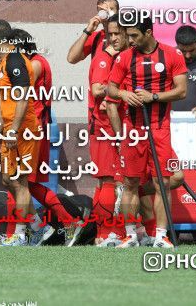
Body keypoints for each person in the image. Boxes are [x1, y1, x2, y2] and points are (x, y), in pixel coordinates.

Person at [107, 12, 188, 248]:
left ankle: (160, 236)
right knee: (130, 183)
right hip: (133, 129)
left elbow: (181, 91)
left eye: (134, 35)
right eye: (127, 35)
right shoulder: (124, 58)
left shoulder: (172, 54)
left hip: (159, 128)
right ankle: (130, 235)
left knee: (162, 182)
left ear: (149, 33)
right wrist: (124, 94)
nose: (129, 40)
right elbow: (111, 89)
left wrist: (154, 96)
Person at [11, 28, 82, 246]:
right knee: (24, 184)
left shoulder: (34, 64)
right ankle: (45, 226)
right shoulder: (35, 62)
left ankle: (42, 227)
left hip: (33, 131)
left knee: (20, 182)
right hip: (33, 130)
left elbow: (19, 96)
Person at [88, 14, 128, 247]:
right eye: (110, 34)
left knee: (121, 182)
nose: (112, 38)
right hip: (105, 127)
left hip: (121, 126)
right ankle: (105, 233)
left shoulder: (126, 57)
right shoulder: (105, 58)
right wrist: (117, 90)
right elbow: (96, 89)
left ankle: (119, 231)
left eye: (117, 34)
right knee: (108, 181)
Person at [67, 0, 119, 64]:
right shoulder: (96, 36)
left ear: (118, 12)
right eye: (103, 10)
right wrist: (87, 31)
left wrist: (113, 18)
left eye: (111, 9)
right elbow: (71, 59)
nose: (107, 12)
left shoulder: (126, 35)